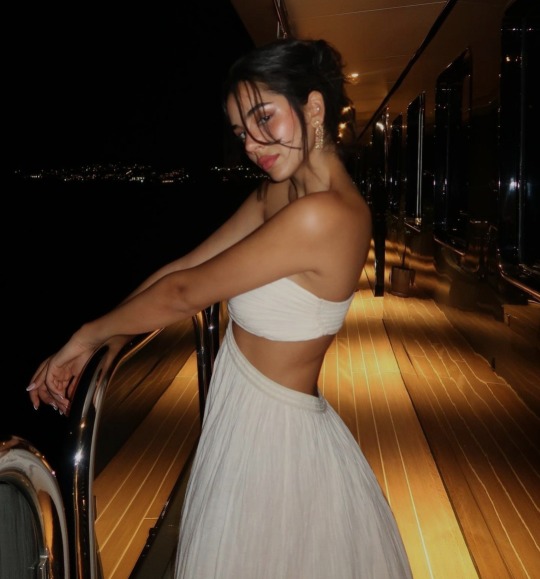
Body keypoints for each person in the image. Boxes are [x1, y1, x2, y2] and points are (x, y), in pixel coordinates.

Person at [27, 37, 412, 578]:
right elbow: (184, 268)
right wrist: (115, 332)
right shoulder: (279, 194)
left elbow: (186, 294)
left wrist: (87, 335)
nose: (252, 144)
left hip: (273, 436)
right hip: (240, 415)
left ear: (313, 107)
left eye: (263, 118)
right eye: (240, 132)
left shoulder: (326, 215)